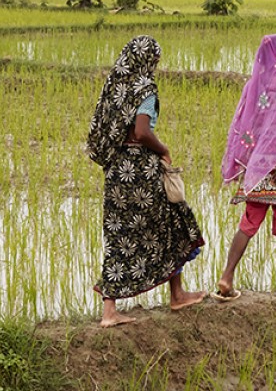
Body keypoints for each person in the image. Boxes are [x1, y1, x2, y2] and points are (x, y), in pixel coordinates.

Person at [85, 35, 208, 328]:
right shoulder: (145, 88)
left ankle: (109, 312)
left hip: (116, 172)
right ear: (148, 60)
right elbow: (141, 131)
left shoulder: (114, 87)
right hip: (140, 170)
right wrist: (163, 149)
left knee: (118, 237)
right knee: (175, 222)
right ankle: (177, 295)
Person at [214, 34, 276, 301]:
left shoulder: (253, 85)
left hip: (259, 166)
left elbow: (248, 127)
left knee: (250, 221)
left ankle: (227, 277)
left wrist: (249, 162)